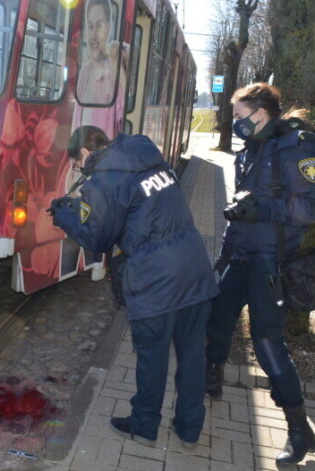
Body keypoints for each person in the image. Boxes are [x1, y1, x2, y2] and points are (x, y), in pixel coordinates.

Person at [50, 126, 218, 448]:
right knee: (193, 356)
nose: (78, 169)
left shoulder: (105, 180)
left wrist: (64, 215)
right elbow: (138, 213)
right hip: (195, 271)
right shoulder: (151, 162)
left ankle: (143, 426)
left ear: (84, 154)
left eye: (75, 163)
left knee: (152, 358)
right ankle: (189, 427)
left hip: (156, 282)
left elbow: (97, 238)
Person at [206, 83, 315, 465]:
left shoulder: (296, 146)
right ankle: (210, 381)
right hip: (241, 257)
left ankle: (300, 430)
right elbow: (238, 209)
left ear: (262, 113)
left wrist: (263, 210)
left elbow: (314, 204)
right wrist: (223, 256)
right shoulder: (251, 149)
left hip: (270, 264)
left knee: (267, 344)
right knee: (216, 319)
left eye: (241, 116)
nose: (237, 123)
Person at [74, 0, 127, 137]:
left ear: (109, 27)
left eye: (99, 25)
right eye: (90, 26)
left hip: (103, 156)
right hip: (82, 154)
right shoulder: (85, 71)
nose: (94, 35)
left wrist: (117, 65)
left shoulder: (113, 70)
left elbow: (123, 115)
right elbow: (76, 120)